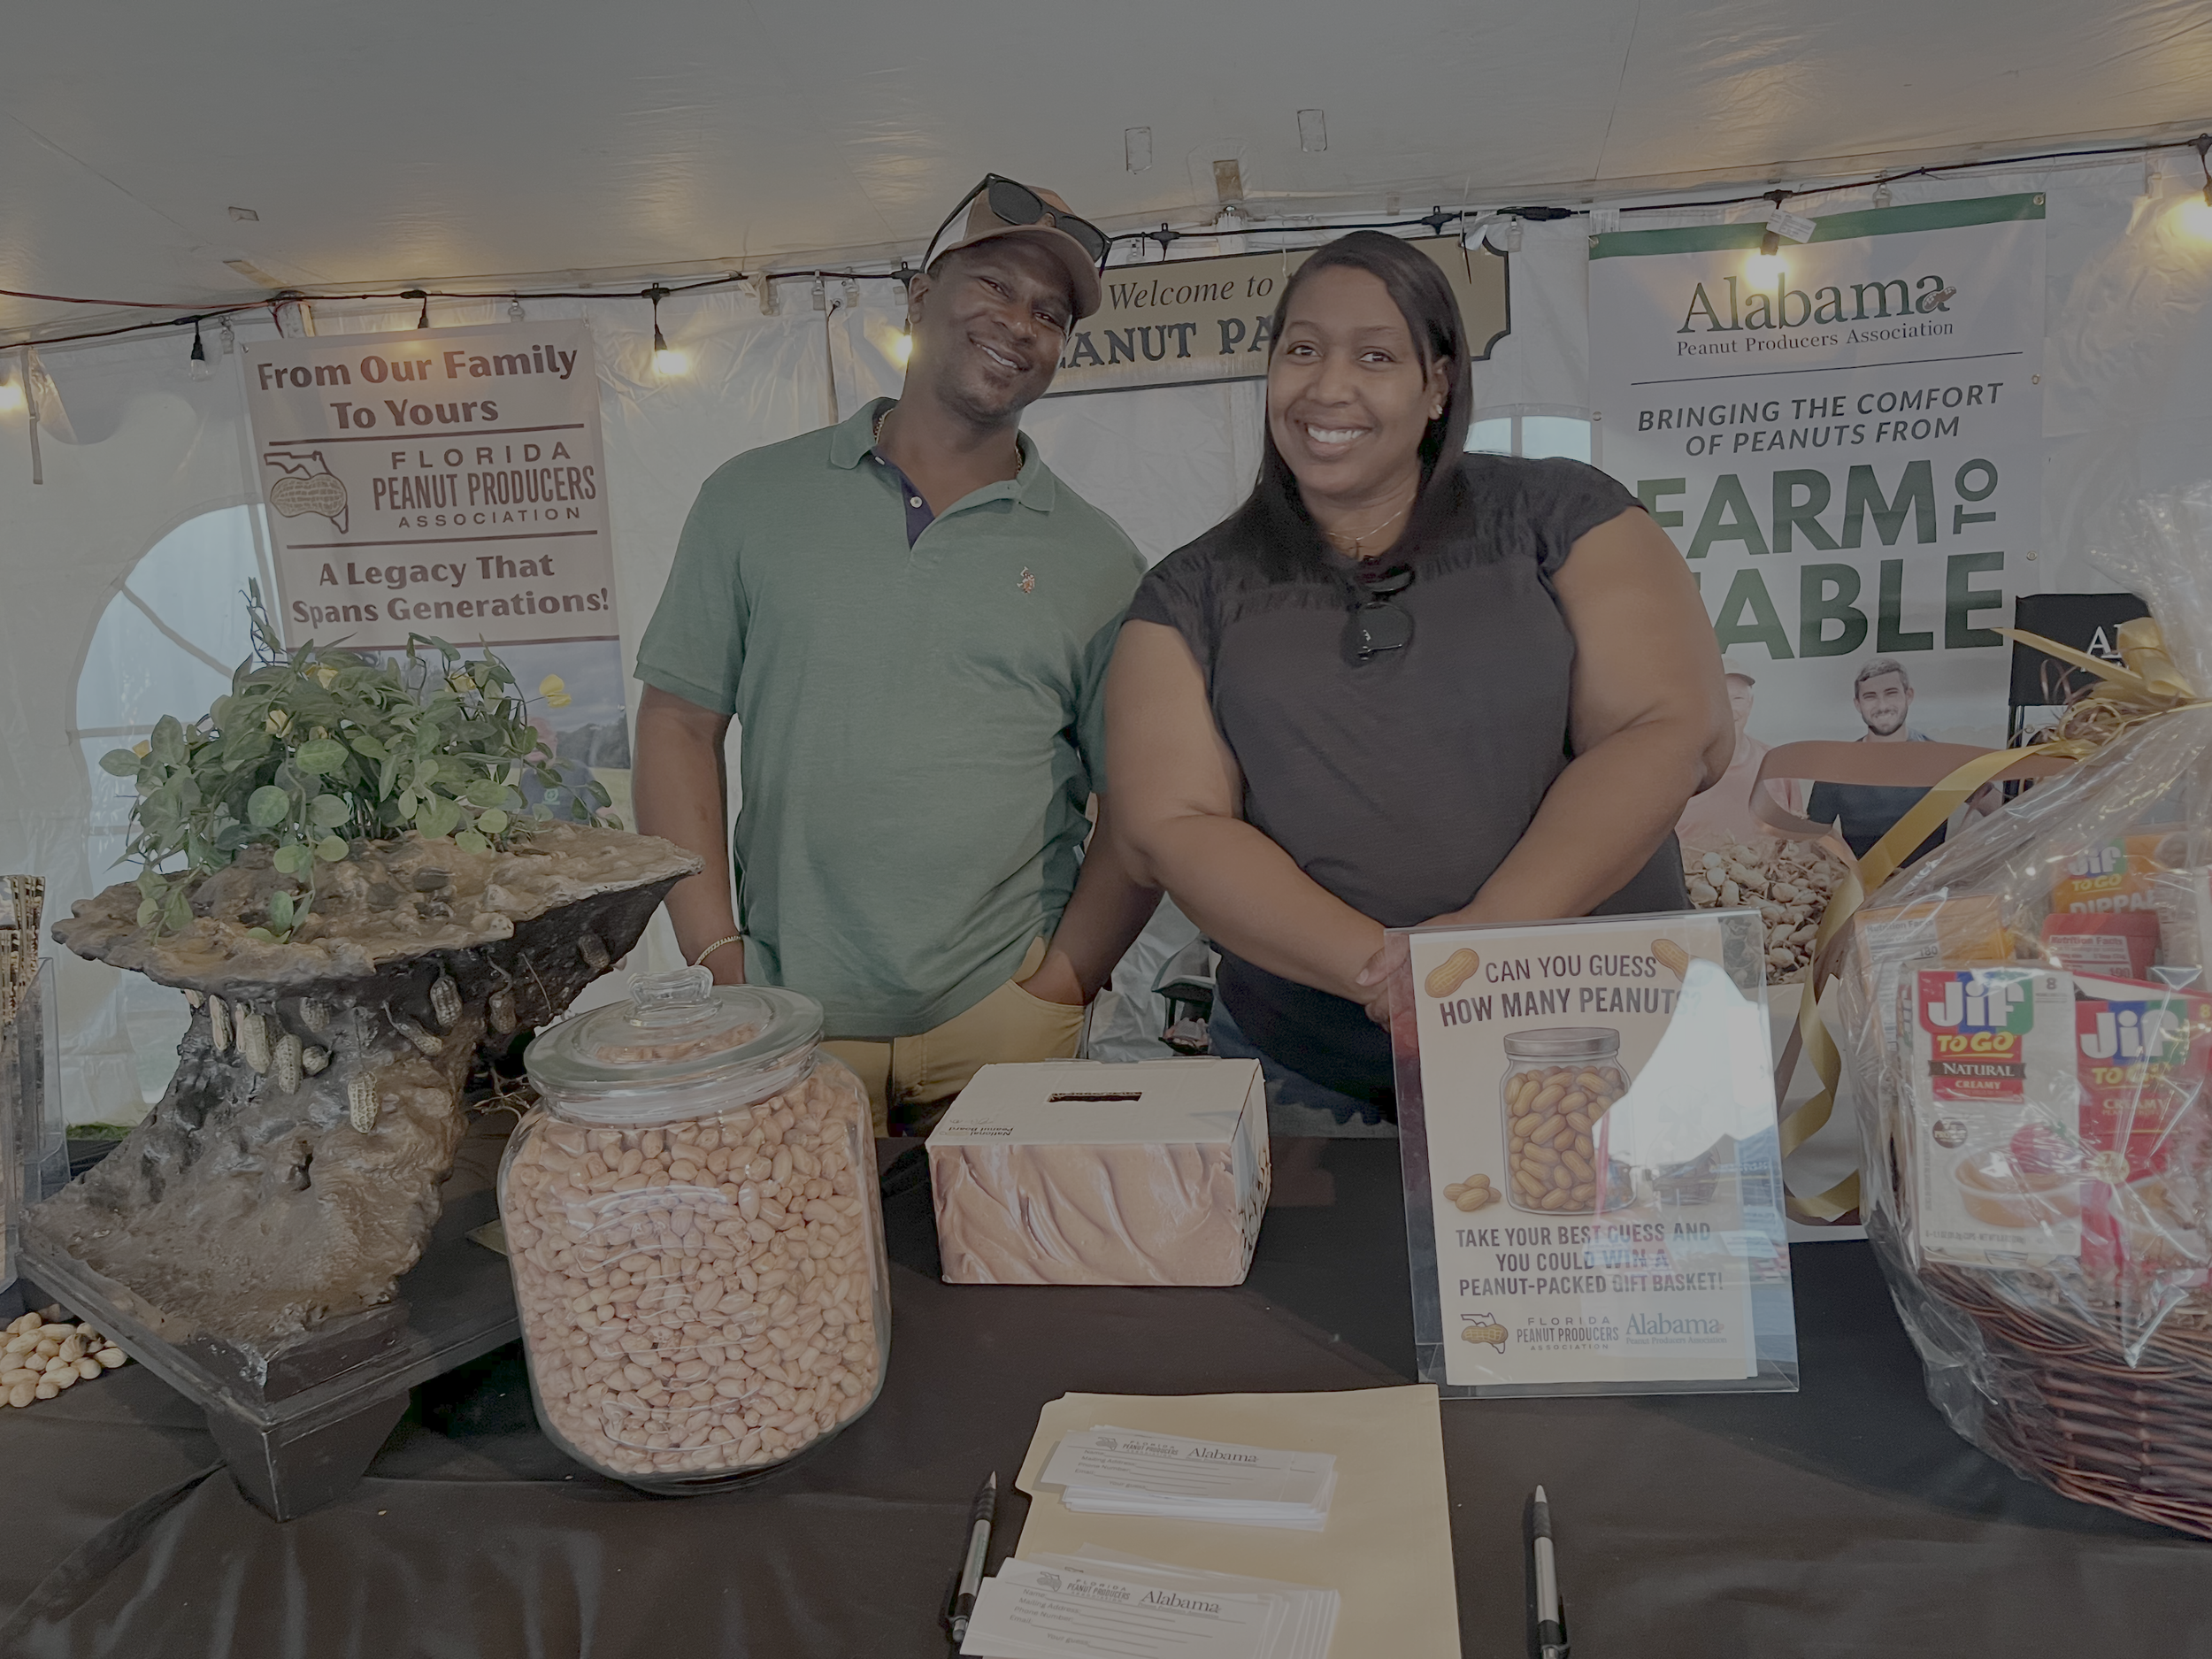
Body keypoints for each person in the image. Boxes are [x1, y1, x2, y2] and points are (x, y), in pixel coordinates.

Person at [1106, 231, 1732, 1126]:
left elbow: (1672, 728)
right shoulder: (1189, 590)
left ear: (1437, 385)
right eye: (1302, 350)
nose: (1329, 387)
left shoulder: (1562, 514)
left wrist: (1485, 941)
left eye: (1375, 355)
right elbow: (1168, 825)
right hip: (1313, 1075)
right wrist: (1391, 976)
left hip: (1603, 1045)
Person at [633, 175, 1160, 1134]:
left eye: (1049, 313)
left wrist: (1063, 982)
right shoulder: (752, 501)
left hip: (1002, 1018)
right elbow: (677, 723)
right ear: (919, 295)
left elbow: (1139, 804)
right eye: (995, 287)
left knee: (1013, 1283)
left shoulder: (1098, 561)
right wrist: (717, 960)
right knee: (804, 1279)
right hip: (787, 1017)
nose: (1020, 325)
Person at [1803, 656, 1991, 863]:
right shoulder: (1834, 769)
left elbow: (2006, 809)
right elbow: (1812, 844)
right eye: (1870, 697)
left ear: (1908, 696)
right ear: (1858, 704)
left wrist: (1973, 854)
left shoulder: (1943, 760)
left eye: (1891, 694)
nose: (1882, 705)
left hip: (1927, 891)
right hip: (1859, 891)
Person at [1674, 660, 1808, 849]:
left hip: (1767, 877)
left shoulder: (1778, 765)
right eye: (1718, 699)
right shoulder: (1673, 772)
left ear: (1750, 704)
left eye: (1737, 699)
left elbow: (1797, 844)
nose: (1728, 709)